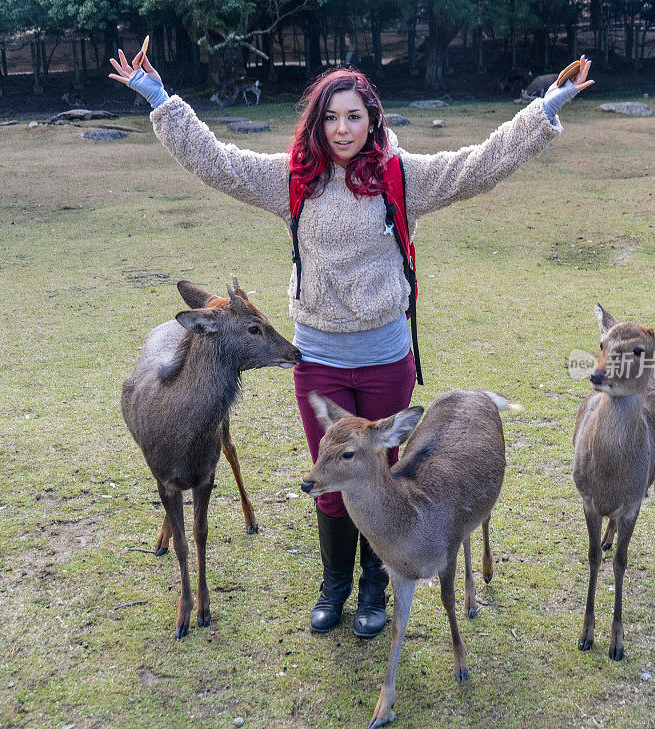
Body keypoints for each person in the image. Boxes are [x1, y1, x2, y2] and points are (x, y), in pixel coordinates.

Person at [110, 49, 593, 639]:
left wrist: (548, 107)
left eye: (354, 117)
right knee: (331, 480)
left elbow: (481, 164)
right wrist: (159, 99)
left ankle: (373, 589)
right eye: (331, 118)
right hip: (319, 360)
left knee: (379, 476)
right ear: (317, 122)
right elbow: (216, 162)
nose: (342, 129)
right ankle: (334, 584)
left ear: (373, 120)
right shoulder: (291, 178)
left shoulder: (402, 176)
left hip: (387, 357)